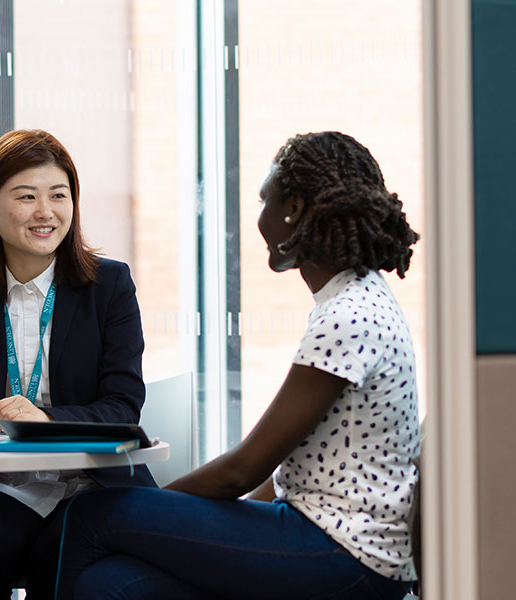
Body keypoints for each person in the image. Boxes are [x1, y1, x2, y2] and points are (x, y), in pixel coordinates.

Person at [48, 131, 422, 599]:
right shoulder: (355, 300)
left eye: (266, 199)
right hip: (322, 539)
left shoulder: (348, 316)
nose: (259, 216)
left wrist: (150, 510)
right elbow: (285, 468)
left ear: (295, 210)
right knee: (113, 584)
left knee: (92, 514)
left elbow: (242, 470)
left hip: (343, 556)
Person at [0, 129, 153, 599]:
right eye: (26, 197)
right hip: (11, 481)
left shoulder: (109, 285)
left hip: (93, 478)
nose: (46, 212)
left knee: (61, 558)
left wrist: (44, 419)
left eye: (59, 195)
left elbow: (122, 407)